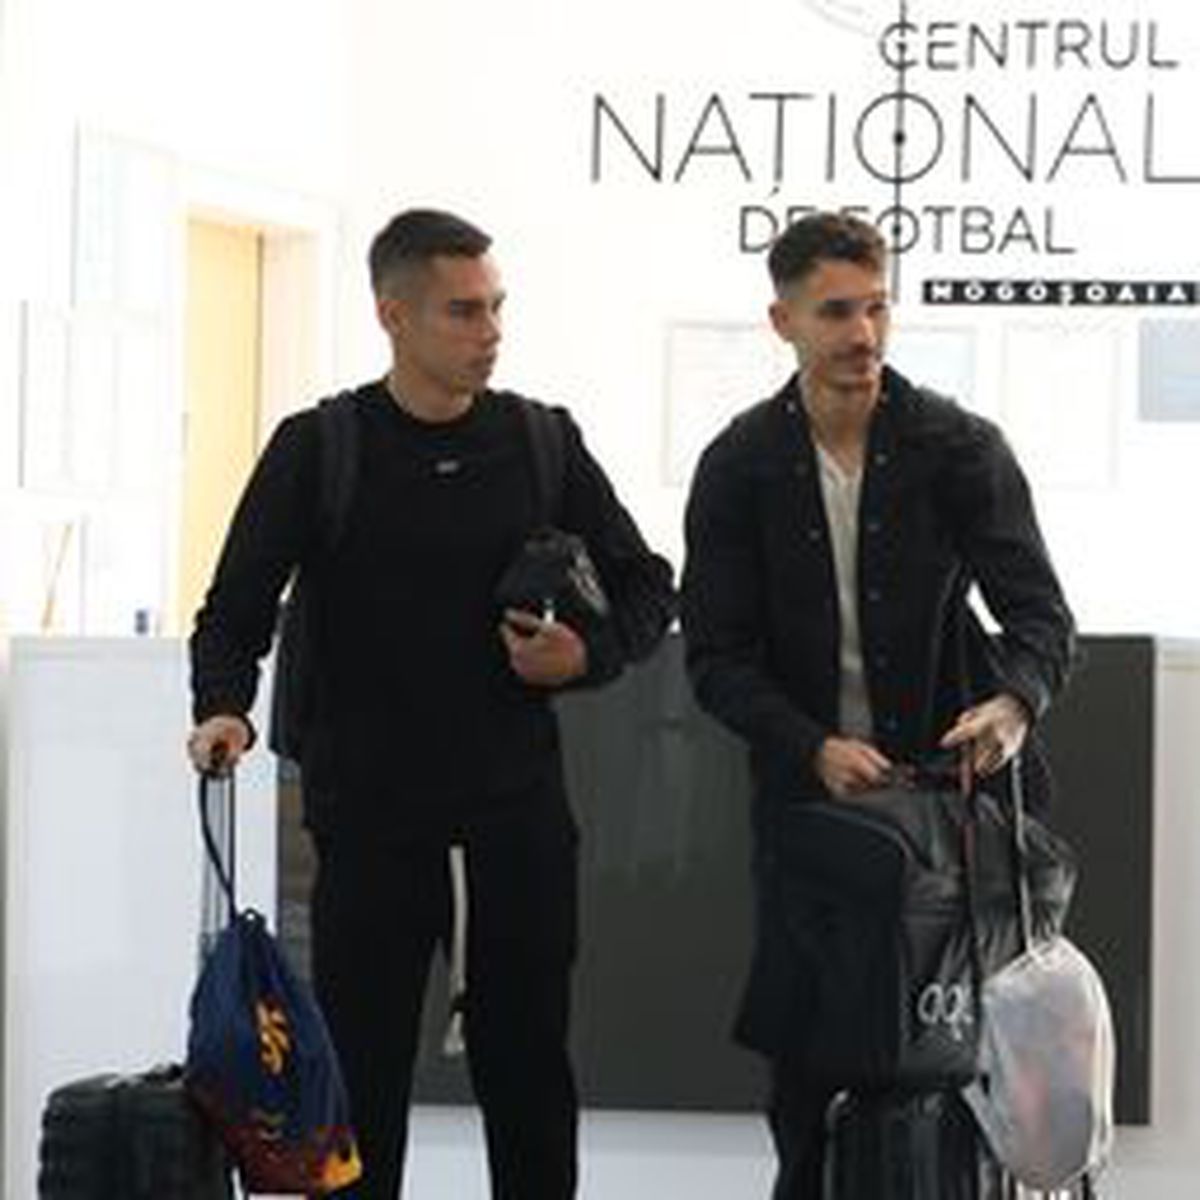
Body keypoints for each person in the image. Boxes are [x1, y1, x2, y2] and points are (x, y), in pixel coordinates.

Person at [186, 207, 675, 1199]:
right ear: (393, 315)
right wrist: (224, 706)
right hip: (369, 819)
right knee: (358, 1076)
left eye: (496, 307)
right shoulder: (320, 447)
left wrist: (584, 657)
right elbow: (234, 608)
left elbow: (647, 585)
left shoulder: (541, 441)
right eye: (463, 310)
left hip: (516, 817)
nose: (490, 331)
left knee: (528, 1072)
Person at [679, 211, 1074, 1197]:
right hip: (815, 815)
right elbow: (716, 658)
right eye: (836, 312)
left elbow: (1041, 617)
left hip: (959, 817)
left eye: (877, 307)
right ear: (784, 322)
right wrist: (810, 744)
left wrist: (1012, 706)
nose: (863, 334)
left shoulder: (958, 447)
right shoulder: (740, 465)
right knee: (807, 1079)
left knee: (973, 1075)